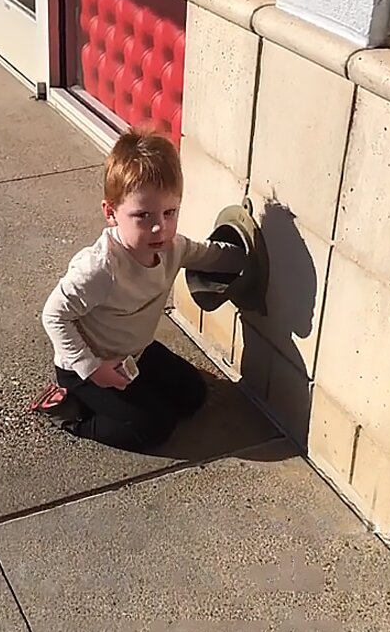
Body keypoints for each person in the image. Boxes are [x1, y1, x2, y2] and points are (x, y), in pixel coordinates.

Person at [30, 128, 246, 451]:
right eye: (143, 216)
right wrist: (92, 369)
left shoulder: (173, 248)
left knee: (194, 396)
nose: (159, 227)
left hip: (135, 352)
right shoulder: (101, 268)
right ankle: (72, 414)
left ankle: (132, 396)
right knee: (155, 427)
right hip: (90, 367)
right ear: (111, 213)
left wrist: (245, 258)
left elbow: (210, 253)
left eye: (169, 212)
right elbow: (54, 314)